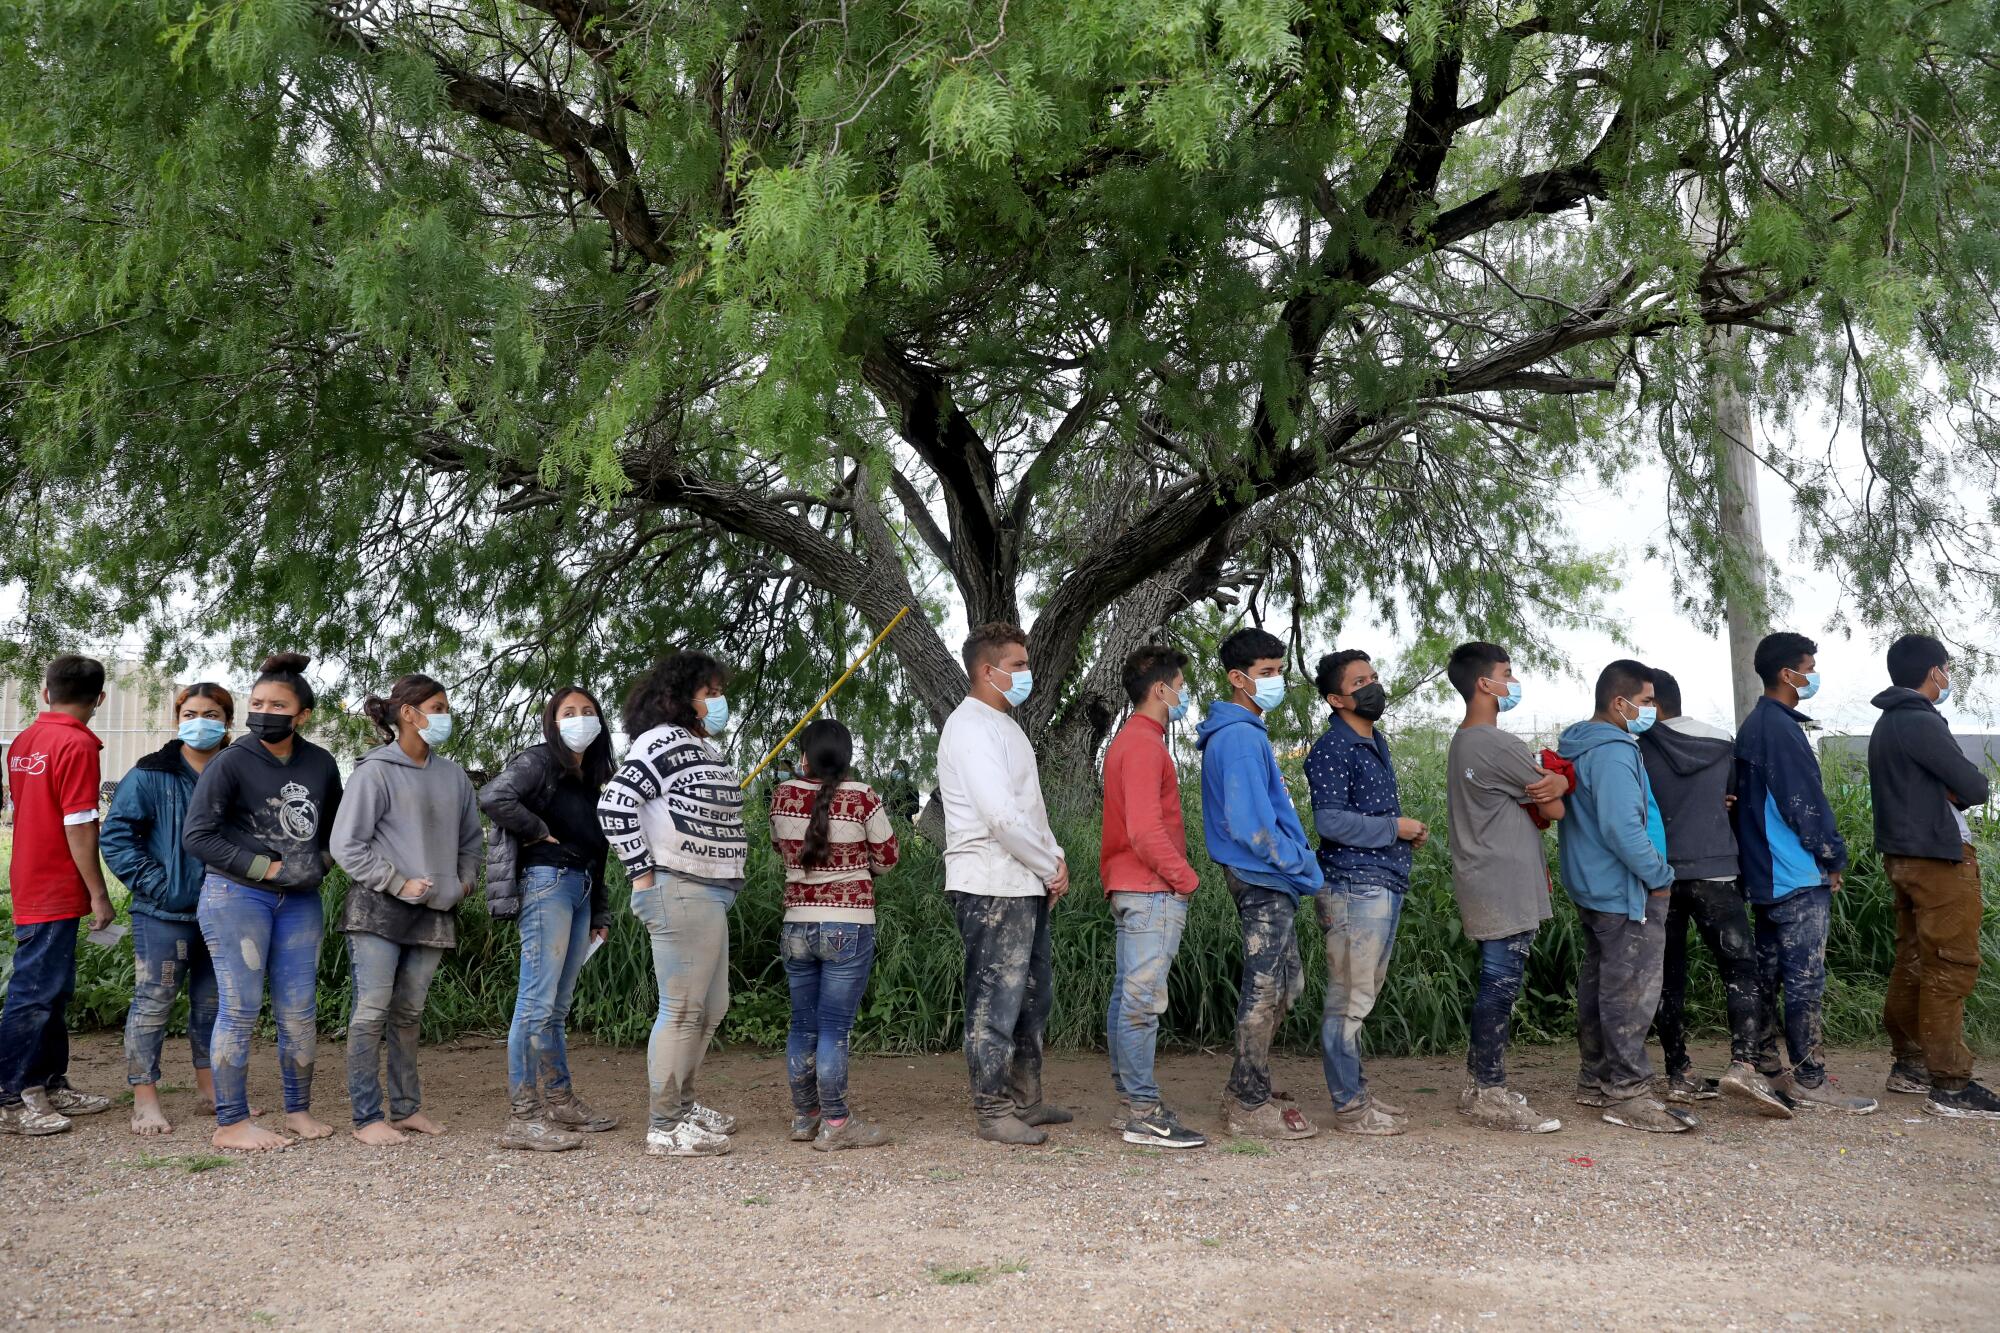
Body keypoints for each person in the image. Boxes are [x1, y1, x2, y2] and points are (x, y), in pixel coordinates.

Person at [183, 652, 344, 1151]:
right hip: (237, 898)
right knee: (240, 1007)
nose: (263, 711)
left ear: (302, 715)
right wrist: (266, 867)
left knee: (299, 1010)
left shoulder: (320, 762)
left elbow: (336, 829)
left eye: (277, 704)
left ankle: (298, 1111)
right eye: (256, 703)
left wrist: (320, 863)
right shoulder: (232, 761)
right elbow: (198, 835)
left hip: (299, 902)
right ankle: (231, 1123)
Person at [597, 650, 747, 1157]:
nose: (719, 702)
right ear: (683, 698)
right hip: (678, 887)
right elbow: (616, 803)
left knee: (711, 1007)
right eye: (711, 693)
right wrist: (640, 872)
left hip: (708, 892)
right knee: (683, 1008)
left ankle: (683, 1103)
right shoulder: (662, 742)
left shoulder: (698, 747)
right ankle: (665, 1125)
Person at [329, 674, 482, 1147]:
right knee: (371, 1012)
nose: (445, 714)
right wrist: (396, 881)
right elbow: (345, 846)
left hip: (435, 911)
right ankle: (366, 1116)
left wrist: (465, 882)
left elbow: (472, 841)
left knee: (410, 1013)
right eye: (437, 705)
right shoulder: (374, 770)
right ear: (409, 714)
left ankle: (407, 1109)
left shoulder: (453, 774)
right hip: (377, 910)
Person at [936, 622, 1072, 1145]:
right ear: (986, 671)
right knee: (996, 1000)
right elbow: (999, 816)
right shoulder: (969, 727)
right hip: (991, 882)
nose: (1026, 674)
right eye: (1017, 665)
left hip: (1024, 880)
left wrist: (1053, 860)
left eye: (1025, 663)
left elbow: (1029, 811)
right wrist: (1047, 864)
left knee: (1033, 998)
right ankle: (992, 1109)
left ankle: (1025, 1101)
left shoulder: (1008, 726)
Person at [1636, 670, 1790, 1118]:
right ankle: (1742, 1064)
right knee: (1740, 969)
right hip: (1717, 872)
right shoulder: (1722, 741)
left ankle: (1679, 1072)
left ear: (1655, 705)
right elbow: (1733, 797)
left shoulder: (1638, 747)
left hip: (1659, 875)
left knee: (1667, 973)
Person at [1736, 632, 1877, 1113]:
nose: (1813, 676)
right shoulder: (1780, 729)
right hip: (1796, 874)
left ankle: (1768, 1068)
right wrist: (1831, 858)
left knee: (1769, 976)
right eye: (1809, 667)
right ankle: (1812, 1080)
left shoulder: (1754, 725)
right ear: (1787, 674)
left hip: (1764, 877)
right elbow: (1804, 805)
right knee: (1804, 980)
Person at [1197, 627, 1322, 1140]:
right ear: (1237, 678)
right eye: (1266, 673)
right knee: (1266, 989)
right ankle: (1248, 1103)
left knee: (1286, 985)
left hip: (1272, 879)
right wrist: (1301, 862)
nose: (1276, 681)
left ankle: (1250, 1084)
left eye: (1279, 671)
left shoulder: (1245, 734)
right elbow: (1253, 827)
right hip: (1262, 877)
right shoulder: (1242, 737)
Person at [1867, 633, 1999, 1118]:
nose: (1948, 677)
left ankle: (1911, 1062)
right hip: (1939, 858)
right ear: (1933, 672)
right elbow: (1975, 785)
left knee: (1915, 959)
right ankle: (1951, 1084)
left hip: (1903, 855)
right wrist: (1958, 790)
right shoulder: (1921, 721)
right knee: (1951, 963)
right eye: (1945, 669)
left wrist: (1951, 790)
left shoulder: (1887, 723)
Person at [481, 685, 617, 1152]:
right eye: (569, 712)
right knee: (535, 1004)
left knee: (556, 1008)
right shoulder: (539, 760)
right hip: (546, 883)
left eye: (588, 711)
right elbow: (495, 796)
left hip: (579, 887)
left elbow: (598, 853)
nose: (580, 718)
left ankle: (560, 1101)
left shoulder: (592, 779)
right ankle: (523, 1116)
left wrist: (600, 910)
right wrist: (540, 831)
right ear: (552, 721)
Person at [103, 682, 241, 1136]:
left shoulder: (240, 772)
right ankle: (144, 1099)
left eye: (212, 714)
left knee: (213, 1004)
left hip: (227, 907)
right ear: (177, 720)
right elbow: (118, 837)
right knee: (154, 1001)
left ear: (227, 722)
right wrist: (161, 886)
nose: (200, 722)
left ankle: (210, 1092)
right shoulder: (149, 774)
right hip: (164, 913)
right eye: (190, 713)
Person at [1556, 659, 1687, 1134]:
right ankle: (1629, 1090)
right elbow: (1621, 826)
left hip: (1595, 885)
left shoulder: (1582, 746)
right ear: (1620, 702)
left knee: (1601, 985)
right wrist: (1658, 874)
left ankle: (1595, 1079)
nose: (1653, 710)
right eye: (1648, 701)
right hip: (1625, 887)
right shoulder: (1612, 751)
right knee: (1630, 991)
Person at [1444, 642, 1567, 1133]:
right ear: (1484, 684)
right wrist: (1557, 786)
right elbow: (1554, 809)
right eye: (1507, 674)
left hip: (1484, 874)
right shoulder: (1496, 744)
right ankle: (1489, 1090)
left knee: (1497, 980)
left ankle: (1481, 1083)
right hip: (1505, 878)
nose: (1512, 683)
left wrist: (1552, 785)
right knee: (1500, 983)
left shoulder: (1464, 742)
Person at [1305, 648, 1426, 1137]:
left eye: (1373, 677)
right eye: (1359, 682)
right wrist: (1394, 827)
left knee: (1362, 994)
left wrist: (1398, 833)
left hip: (1380, 881)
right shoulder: (1332, 749)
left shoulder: (1374, 742)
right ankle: (1350, 1107)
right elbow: (1329, 820)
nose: (1373, 686)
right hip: (1353, 885)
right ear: (1336, 699)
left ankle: (1358, 1092)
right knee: (1348, 999)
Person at [769, 719, 900, 1151]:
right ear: (846, 758)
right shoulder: (863, 797)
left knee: (802, 1024)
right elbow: (888, 856)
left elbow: (781, 848)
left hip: (796, 925)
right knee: (833, 1028)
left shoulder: (783, 795)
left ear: (804, 756)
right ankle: (838, 1125)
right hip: (848, 923)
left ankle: (805, 1117)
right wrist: (860, 870)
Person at [0, 655, 115, 1136]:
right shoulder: (76, 745)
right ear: (99, 700)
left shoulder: (25, 740)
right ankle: (10, 1095)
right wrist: (99, 893)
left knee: (53, 989)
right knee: (33, 992)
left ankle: (49, 1080)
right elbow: (78, 824)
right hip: (54, 884)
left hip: (31, 877)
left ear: (46, 693)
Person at [1099, 645, 1205, 1150]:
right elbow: (1145, 829)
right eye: (1180, 686)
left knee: (1128, 998)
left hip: (1129, 887)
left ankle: (1132, 1105)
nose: (1183, 694)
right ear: (1160, 689)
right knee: (1141, 1002)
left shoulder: (1130, 741)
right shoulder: (1144, 745)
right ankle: (1143, 1111)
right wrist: (1185, 878)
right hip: (1150, 890)